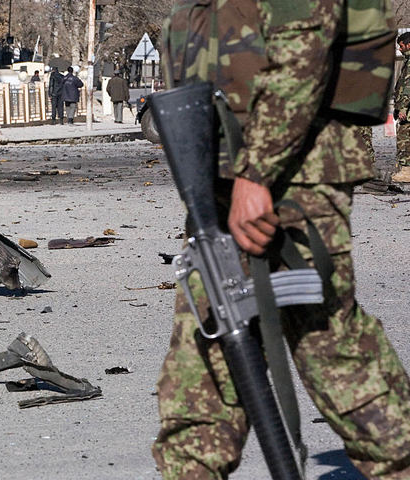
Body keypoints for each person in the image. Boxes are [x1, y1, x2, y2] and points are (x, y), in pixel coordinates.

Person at [153, 1, 410, 479]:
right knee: (208, 349)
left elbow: (303, 51)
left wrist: (257, 174)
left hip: (296, 172)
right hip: (222, 172)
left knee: (329, 346)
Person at [393, 32, 410, 182]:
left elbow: (408, 87)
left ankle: (406, 172)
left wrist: (403, 108)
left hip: (408, 111)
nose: (399, 49)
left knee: (404, 140)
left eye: (401, 45)